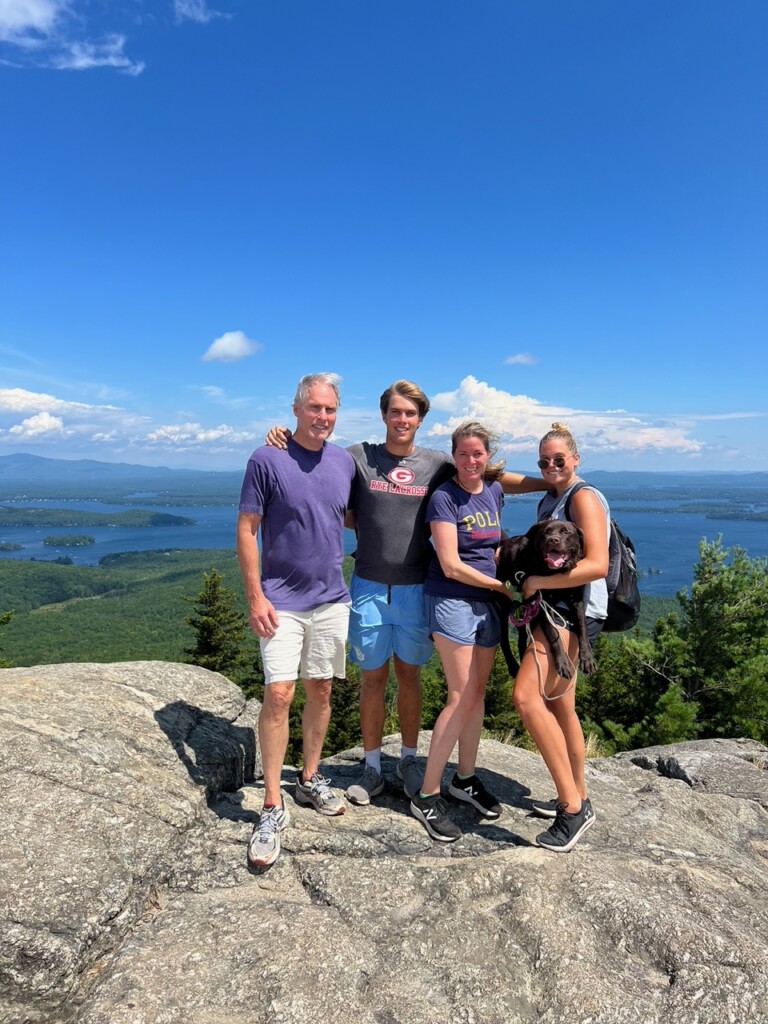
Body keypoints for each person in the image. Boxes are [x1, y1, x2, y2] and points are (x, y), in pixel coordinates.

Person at [266, 382, 547, 808]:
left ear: (420, 419)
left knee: (409, 675)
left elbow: (488, 475)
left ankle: (410, 762)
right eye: (395, 412)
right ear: (384, 415)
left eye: (411, 414)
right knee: (372, 678)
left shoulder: (435, 463)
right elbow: (315, 455)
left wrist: (548, 481)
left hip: (417, 588)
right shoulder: (358, 456)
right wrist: (282, 437)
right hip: (368, 586)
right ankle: (373, 766)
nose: (402, 420)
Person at [236, 372, 356, 868]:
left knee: (322, 688)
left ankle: (308, 777)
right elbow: (246, 529)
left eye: (329, 409)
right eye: (314, 408)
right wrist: (255, 596)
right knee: (279, 692)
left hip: (331, 598)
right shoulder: (267, 458)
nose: (322, 417)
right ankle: (270, 803)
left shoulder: (345, 461)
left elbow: (351, 513)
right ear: (296, 408)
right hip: (280, 601)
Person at [410, 421, 513, 843]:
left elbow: (494, 544)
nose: (471, 461)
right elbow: (451, 564)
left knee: (477, 694)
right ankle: (427, 793)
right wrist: (498, 586)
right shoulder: (443, 498)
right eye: (464, 453)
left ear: (488, 456)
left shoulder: (493, 490)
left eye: (478, 454)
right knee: (460, 694)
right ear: (454, 455)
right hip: (451, 597)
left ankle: (464, 778)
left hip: (486, 602)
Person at [512, 422, 610, 853]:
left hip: (575, 613)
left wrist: (534, 582)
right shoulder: (552, 496)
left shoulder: (583, 497)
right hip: (557, 610)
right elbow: (501, 478)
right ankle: (579, 791)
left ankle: (572, 809)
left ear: (576, 459)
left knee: (526, 698)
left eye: (559, 460)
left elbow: (597, 566)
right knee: (560, 704)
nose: (551, 466)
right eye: (543, 461)